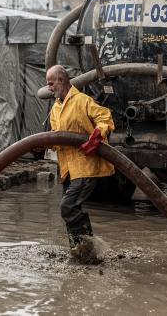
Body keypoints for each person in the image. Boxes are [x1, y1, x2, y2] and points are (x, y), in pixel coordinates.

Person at [46, 65, 115, 251]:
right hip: (67, 170)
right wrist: (43, 144)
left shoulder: (82, 101)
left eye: (51, 84)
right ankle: (80, 250)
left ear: (61, 80)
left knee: (67, 208)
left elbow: (105, 118)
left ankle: (87, 247)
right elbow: (57, 137)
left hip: (85, 166)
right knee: (71, 210)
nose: (49, 88)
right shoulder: (56, 108)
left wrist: (97, 136)